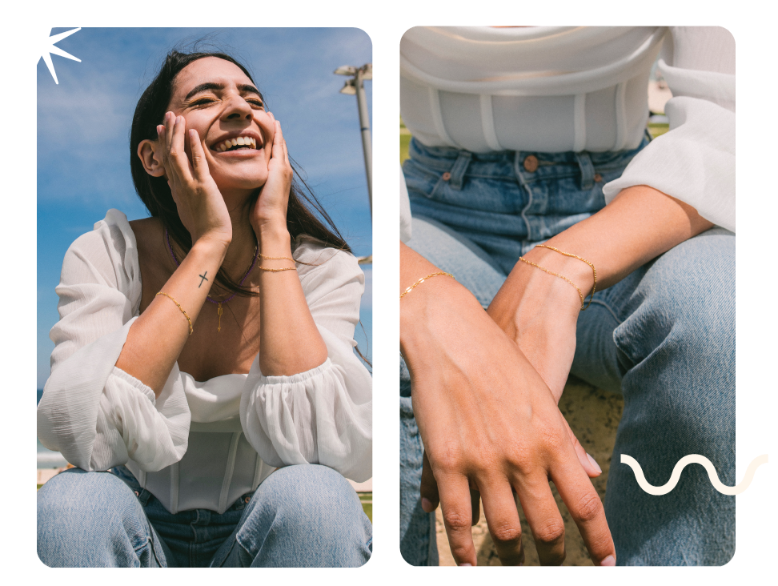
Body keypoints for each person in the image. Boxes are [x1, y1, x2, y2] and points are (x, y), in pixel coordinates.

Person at [399, 25, 735, 568]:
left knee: (721, 319)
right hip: (436, 213)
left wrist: (563, 266)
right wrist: (422, 299)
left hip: (632, 204)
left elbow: (726, 114)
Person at [37, 41, 373, 568]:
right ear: (154, 156)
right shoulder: (106, 253)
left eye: (253, 100)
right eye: (204, 99)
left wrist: (273, 230)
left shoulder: (323, 269)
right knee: (73, 503)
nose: (240, 109)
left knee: (317, 498)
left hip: (262, 535)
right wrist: (210, 243)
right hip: (133, 531)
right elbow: (87, 436)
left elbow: (322, 451)